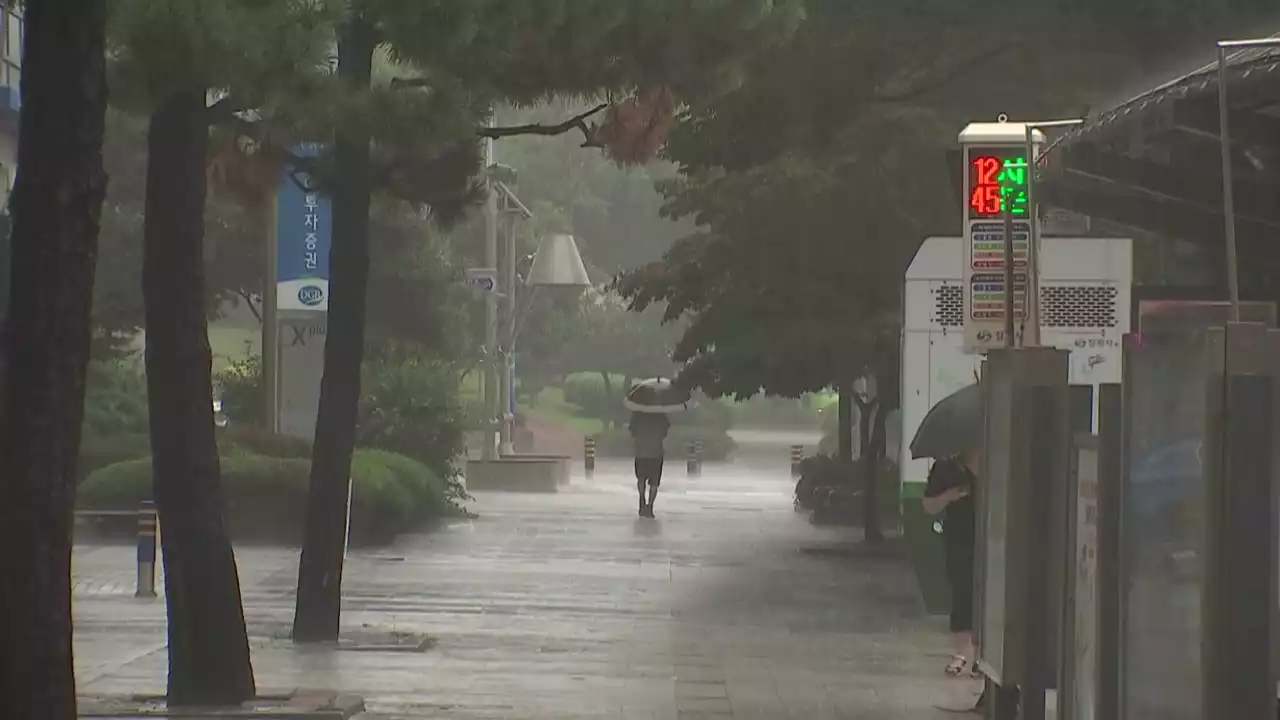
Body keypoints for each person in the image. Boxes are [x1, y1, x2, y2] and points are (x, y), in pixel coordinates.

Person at [923, 447, 980, 678]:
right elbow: (928, 505)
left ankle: (983, 657)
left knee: (991, 598)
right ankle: (961, 654)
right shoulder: (946, 468)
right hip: (960, 541)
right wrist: (951, 495)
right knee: (962, 596)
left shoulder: (998, 463)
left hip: (993, 539)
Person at [629, 411, 670, 518]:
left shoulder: (638, 412)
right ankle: (650, 506)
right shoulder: (660, 412)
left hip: (641, 451)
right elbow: (665, 432)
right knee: (654, 483)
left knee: (641, 478)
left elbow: (632, 431)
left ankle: (642, 499)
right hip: (656, 452)